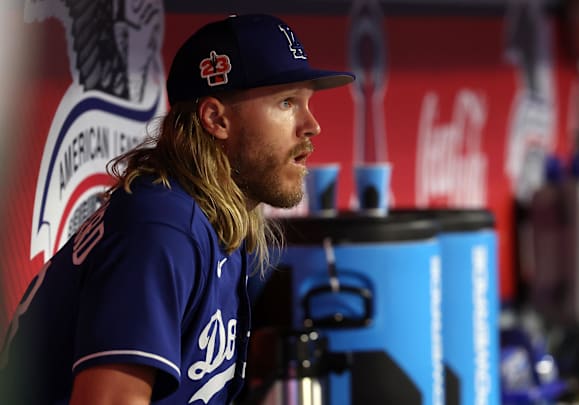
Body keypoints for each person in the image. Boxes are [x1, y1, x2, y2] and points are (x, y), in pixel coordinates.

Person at [0, 13, 354, 404]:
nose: (312, 125)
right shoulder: (163, 227)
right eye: (286, 102)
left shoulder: (214, 221)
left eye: (307, 102)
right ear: (217, 119)